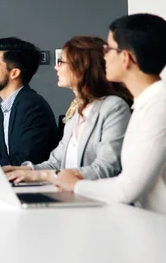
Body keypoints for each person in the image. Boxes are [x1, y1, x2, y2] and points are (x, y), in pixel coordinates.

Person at [56, 14, 166, 215]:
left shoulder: (159, 107)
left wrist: (75, 185)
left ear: (126, 58)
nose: (103, 55)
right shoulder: (145, 104)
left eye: (108, 49)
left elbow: (126, 189)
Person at [3, 36, 133, 183]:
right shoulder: (76, 111)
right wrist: (17, 170)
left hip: (94, 201)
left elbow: (107, 168)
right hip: (69, 196)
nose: (55, 67)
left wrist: (41, 176)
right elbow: (56, 164)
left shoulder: (114, 107)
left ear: (81, 66)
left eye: (61, 62)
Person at [0, 37, 59, 166]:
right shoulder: (7, 106)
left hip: (33, 184)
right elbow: (1, 151)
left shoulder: (32, 106)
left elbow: (25, 161)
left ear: (14, 73)